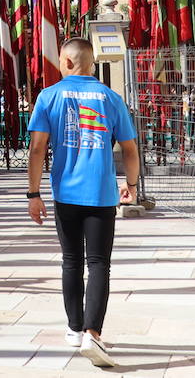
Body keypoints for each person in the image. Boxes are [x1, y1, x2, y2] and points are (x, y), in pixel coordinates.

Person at [27, 37, 140, 369]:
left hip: (66, 194)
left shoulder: (49, 96)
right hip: (102, 194)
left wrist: (33, 194)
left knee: (71, 261)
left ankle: (75, 328)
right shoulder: (111, 98)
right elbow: (130, 150)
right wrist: (131, 185)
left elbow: (36, 150)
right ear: (91, 63)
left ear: (67, 62)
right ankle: (93, 331)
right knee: (99, 263)